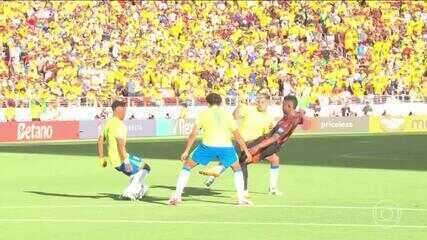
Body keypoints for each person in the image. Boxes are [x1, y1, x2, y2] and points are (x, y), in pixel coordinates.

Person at [169, 93, 253, 206]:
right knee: (237, 169)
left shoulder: (203, 114)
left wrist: (186, 151)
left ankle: (177, 196)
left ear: (207, 103)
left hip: (208, 146)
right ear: (221, 102)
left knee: (187, 166)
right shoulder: (227, 115)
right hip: (226, 147)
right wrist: (246, 151)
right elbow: (237, 135)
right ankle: (241, 198)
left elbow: (193, 134)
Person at [200, 94, 275, 195]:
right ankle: (242, 190)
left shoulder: (269, 117)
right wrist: (238, 107)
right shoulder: (249, 109)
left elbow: (268, 133)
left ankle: (272, 189)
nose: (260, 104)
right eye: (258, 102)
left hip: (255, 144)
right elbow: (234, 116)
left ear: (267, 103)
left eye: (263, 102)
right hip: (241, 142)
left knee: (274, 159)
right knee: (235, 160)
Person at [242, 95, 307, 195]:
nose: (282, 106)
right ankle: (272, 189)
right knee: (275, 160)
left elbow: (274, 138)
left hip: (269, 145)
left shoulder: (287, 121)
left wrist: (257, 147)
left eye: (283, 104)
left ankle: (243, 191)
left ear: (289, 106)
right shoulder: (296, 115)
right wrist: (302, 113)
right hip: (268, 143)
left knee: (243, 161)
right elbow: (302, 118)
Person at [97, 100, 151, 200]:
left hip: (114, 160)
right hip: (121, 158)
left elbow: (100, 140)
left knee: (138, 171)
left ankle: (140, 188)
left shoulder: (108, 123)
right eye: (124, 110)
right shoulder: (119, 125)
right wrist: (126, 161)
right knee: (145, 168)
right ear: (118, 110)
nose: (125, 113)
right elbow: (120, 144)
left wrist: (101, 158)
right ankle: (129, 192)